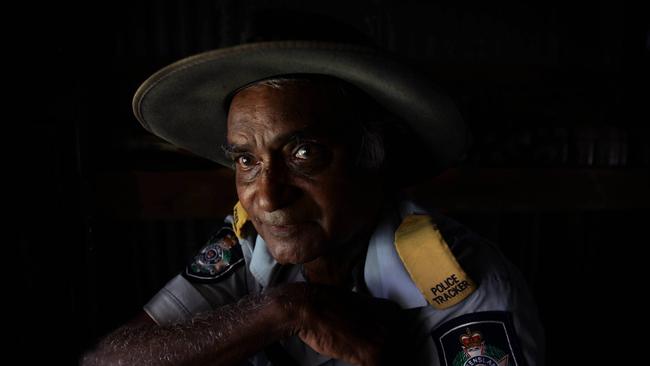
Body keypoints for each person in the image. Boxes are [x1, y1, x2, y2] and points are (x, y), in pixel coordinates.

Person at [81, 18, 545, 366]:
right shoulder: (247, 244)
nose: (267, 196)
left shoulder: (464, 285)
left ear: (373, 159)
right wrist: (282, 311)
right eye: (247, 160)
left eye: (304, 153)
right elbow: (106, 361)